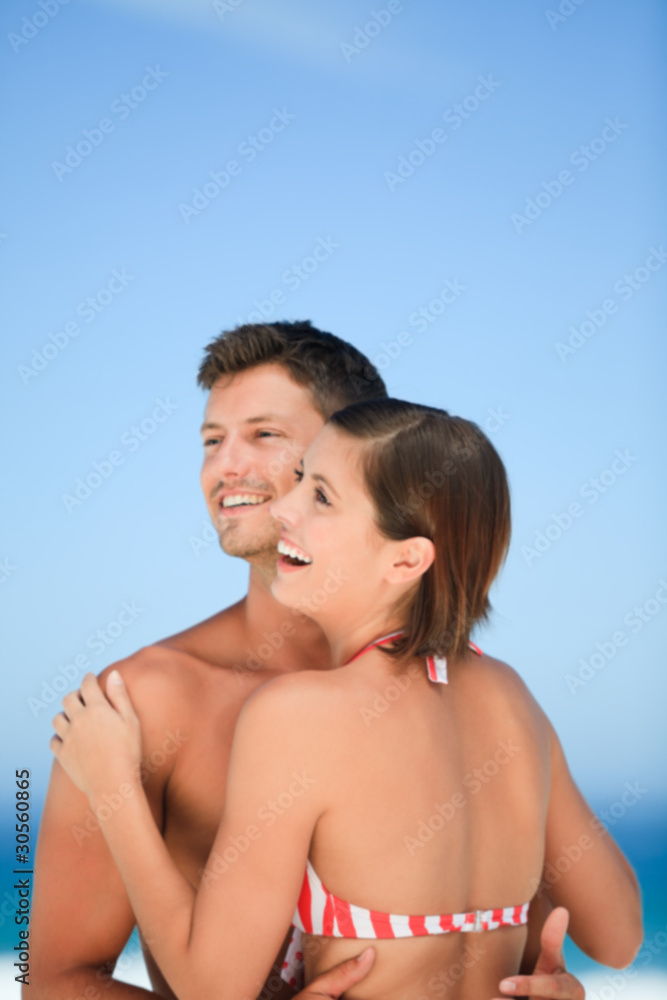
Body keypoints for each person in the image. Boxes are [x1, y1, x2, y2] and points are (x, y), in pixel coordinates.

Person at [31, 321, 585, 1000]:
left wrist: (550, 984)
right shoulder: (144, 700)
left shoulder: (459, 698)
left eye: (264, 435)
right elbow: (51, 982)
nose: (225, 467)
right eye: (211, 442)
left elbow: (519, 936)